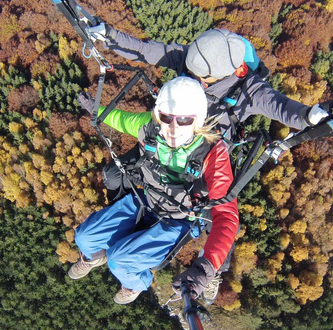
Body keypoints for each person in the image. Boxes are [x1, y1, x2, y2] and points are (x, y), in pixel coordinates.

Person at [86, 24, 333, 201]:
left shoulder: (249, 89)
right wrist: (108, 35)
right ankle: (122, 219)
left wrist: (309, 115)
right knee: (112, 175)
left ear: (227, 72)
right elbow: (148, 50)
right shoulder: (192, 60)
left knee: (210, 207)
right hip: (168, 138)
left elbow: (280, 106)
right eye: (192, 73)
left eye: (201, 77)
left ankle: (216, 271)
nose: (195, 79)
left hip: (205, 157)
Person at [69, 76, 239, 305]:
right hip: (147, 201)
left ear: (198, 120)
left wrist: (206, 268)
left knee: (118, 262)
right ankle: (93, 257)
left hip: (177, 220)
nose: (173, 128)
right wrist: (95, 109)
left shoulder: (212, 154)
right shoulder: (151, 128)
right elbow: (119, 119)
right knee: (84, 237)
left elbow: (226, 217)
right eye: (167, 117)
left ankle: (136, 283)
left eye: (185, 120)